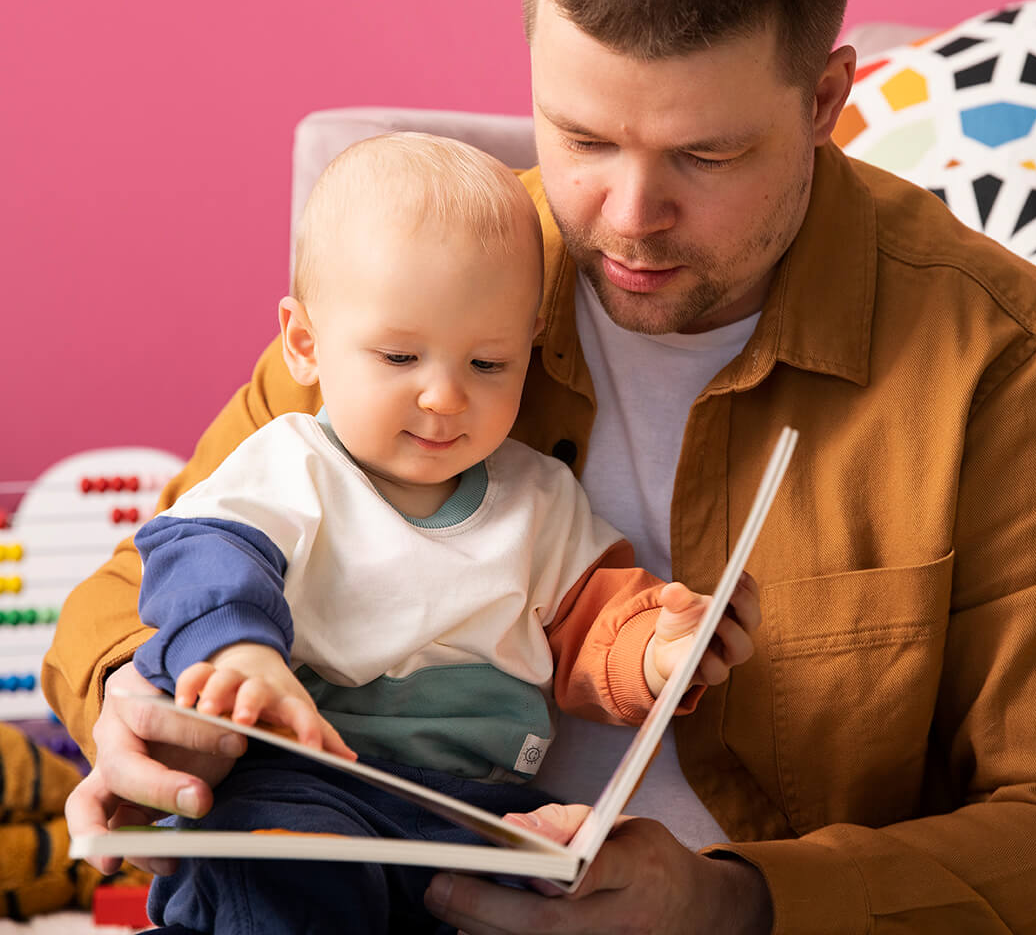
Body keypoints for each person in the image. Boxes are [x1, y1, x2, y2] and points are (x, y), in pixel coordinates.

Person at [46, 0, 1036, 932]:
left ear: (825, 101)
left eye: (707, 154)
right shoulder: (419, 276)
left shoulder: (1005, 361)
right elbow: (136, 590)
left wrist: (731, 904)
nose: (630, 216)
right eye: (583, 137)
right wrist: (142, 696)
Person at [126, 132, 751, 933]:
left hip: (476, 808)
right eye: (399, 357)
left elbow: (595, 630)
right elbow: (201, 560)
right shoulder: (294, 464)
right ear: (305, 345)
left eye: (488, 365)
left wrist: (662, 653)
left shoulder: (540, 498)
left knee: (556, 879)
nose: (446, 398)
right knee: (277, 867)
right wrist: (242, 658)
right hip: (307, 779)